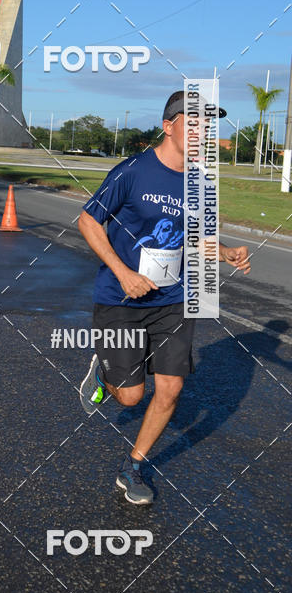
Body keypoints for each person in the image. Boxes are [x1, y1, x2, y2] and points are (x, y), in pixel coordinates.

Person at [77, 90, 251, 505]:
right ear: (168, 125)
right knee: (133, 396)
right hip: (121, 299)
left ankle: (133, 467)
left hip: (173, 299)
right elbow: (87, 219)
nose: (202, 131)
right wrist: (123, 273)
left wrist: (224, 251)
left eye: (207, 125)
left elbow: (197, 236)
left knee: (170, 389)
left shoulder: (200, 182)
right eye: (193, 123)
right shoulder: (133, 171)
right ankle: (103, 375)